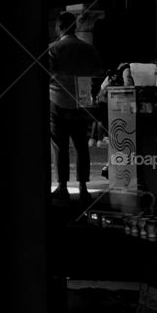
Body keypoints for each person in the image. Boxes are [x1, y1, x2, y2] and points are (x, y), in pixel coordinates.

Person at [48, 10, 103, 202]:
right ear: (75, 26)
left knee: (60, 146)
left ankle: (62, 186)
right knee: (82, 147)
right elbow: (98, 74)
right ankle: (83, 187)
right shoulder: (88, 49)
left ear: (59, 27)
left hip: (58, 101)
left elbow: (47, 75)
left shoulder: (53, 49)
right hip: (82, 102)